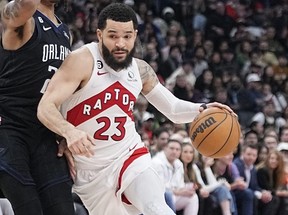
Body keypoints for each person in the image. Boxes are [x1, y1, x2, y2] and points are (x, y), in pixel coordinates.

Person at [37, 3, 234, 215]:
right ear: (99, 34)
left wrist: (201, 109)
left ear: (135, 36)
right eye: (113, 36)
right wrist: (69, 131)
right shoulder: (82, 60)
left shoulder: (140, 70)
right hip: (92, 175)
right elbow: (45, 107)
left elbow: (173, 109)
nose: (120, 43)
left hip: (129, 155)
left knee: (156, 208)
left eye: (127, 36)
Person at [0, 1, 75, 215]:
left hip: (44, 132)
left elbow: (60, 92)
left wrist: (62, 130)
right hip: (9, 128)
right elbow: (25, 5)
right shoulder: (21, 17)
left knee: (63, 209)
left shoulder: (65, 32)